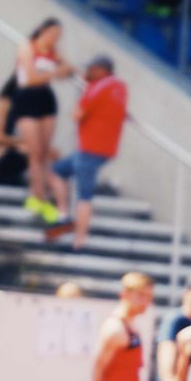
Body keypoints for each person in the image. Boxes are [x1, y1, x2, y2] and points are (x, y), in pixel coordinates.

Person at [48, 55, 128, 251]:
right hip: (103, 148)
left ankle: (80, 238)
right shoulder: (120, 86)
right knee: (57, 171)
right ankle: (63, 215)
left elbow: (78, 114)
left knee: (84, 195)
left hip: (91, 148)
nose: (88, 73)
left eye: (91, 69)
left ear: (102, 69)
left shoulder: (100, 86)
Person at [10, 19, 70, 223]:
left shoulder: (54, 51)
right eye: (52, 33)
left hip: (45, 99)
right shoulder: (28, 47)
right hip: (27, 98)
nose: (55, 39)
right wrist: (55, 73)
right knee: (35, 151)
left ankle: (41, 195)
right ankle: (38, 196)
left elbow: (68, 69)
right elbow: (32, 77)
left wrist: (60, 70)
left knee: (44, 151)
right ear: (43, 30)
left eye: (58, 35)